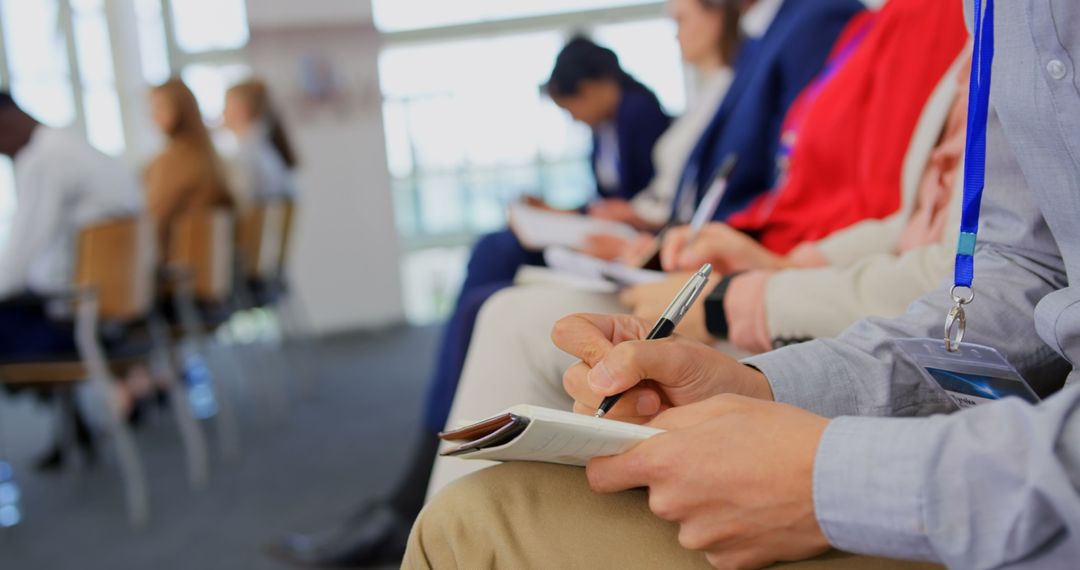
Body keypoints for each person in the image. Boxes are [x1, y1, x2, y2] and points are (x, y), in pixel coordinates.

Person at [406, 1, 1080, 568]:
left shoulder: (863, 23)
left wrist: (828, 478)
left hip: (1010, 488)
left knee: (469, 523)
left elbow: (883, 223)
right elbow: (1016, 275)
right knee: (482, 482)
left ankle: (407, 492)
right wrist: (760, 387)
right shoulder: (993, 16)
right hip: (988, 434)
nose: (671, 21)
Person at [267, 0, 866, 566]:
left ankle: (420, 509)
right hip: (679, 245)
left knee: (496, 305)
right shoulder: (738, 66)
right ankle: (421, 505)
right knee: (496, 268)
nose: (673, 26)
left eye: (683, 15)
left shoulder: (790, 35)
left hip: (703, 258)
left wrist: (688, 247)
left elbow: (759, 198)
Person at [424, 45, 971, 496]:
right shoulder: (967, 50)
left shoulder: (942, 34)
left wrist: (732, 299)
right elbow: (910, 222)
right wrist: (781, 264)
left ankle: (441, 498)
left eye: (683, 17)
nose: (676, 29)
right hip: (826, 288)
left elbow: (968, 281)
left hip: (874, 328)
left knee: (513, 319)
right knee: (509, 304)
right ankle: (444, 494)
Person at [0, 91, 142, 468]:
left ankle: (65, 422)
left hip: (81, 321)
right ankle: (72, 428)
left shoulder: (42, 159)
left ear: (6, 122)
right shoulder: (76, 146)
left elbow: (18, 257)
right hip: (115, 310)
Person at [145, 78, 233, 255]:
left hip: (181, 261)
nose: (152, 115)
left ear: (180, 110)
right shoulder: (208, 154)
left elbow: (154, 219)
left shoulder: (173, 160)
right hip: (210, 257)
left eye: (159, 107)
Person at [222, 78, 299, 212]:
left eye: (227, 105)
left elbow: (239, 204)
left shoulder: (248, 155)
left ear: (242, 108)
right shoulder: (262, 148)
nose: (223, 112)